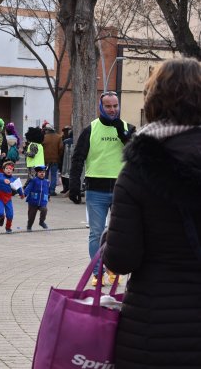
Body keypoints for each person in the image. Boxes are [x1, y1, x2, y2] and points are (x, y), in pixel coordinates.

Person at [102, 58, 201, 367]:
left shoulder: (138, 170)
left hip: (154, 330)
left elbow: (121, 259)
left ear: (154, 100)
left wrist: (109, 237)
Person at [70, 90, 136, 285]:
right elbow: (78, 158)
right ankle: (98, 273)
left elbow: (139, 155)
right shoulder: (90, 129)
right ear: (101, 107)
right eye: (108, 106)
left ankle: (114, 269)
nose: (112, 109)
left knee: (119, 233)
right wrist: (74, 185)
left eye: (115, 106)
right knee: (96, 233)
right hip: (95, 190)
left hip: (122, 190)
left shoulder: (128, 128)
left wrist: (123, 135)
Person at [0, 161, 24, 233]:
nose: (8, 170)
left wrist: (22, 195)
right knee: (0, 213)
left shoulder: (14, 179)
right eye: (7, 168)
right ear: (3, 170)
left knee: (10, 215)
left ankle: (8, 227)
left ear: (12, 170)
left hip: (8, 199)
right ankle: (1, 218)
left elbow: (18, 188)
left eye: (10, 168)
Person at [24, 165, 50, 231]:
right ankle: (29, 226)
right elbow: (28, 188)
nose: (42, 173)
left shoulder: (46, 182)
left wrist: (48, 196)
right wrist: (24, 194)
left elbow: (47, 190)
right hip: (33, 201)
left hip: (42, 201)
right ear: (37, 173)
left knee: (44, 210)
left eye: (43, 172)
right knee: (31, 215)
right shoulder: (34, 180)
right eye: (40, 172)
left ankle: (41, 222)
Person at [41, 123, 64, 196]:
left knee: (45, 175)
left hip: (45, 160)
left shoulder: (44, 137)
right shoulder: (58, 137)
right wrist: (58, 156)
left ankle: (45, 189)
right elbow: (61, 148)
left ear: (47, 130)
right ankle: (52, 190)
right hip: (55, 159)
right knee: (54, 175)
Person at [59, 126, 73, 194]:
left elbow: (61, 150)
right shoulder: (63, 139)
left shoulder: (64, 140)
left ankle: (66, 188)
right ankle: (67, 187)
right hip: (70, 159)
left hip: (64, 159)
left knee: (64, 174)